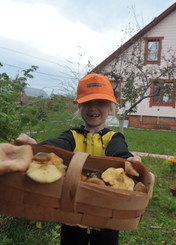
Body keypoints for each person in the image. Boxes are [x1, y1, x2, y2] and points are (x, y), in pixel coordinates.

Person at [16, 72, 141, 245]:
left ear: (110, 108)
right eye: (87, 102)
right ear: (80, 107)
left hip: (105, 214)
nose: (93, 108)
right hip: (72, 213)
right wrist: (37, 147)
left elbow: (119, 153)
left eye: (100, 103)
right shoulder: (72, 136)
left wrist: (129, 159)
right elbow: (57, 145)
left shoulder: (113, 137)